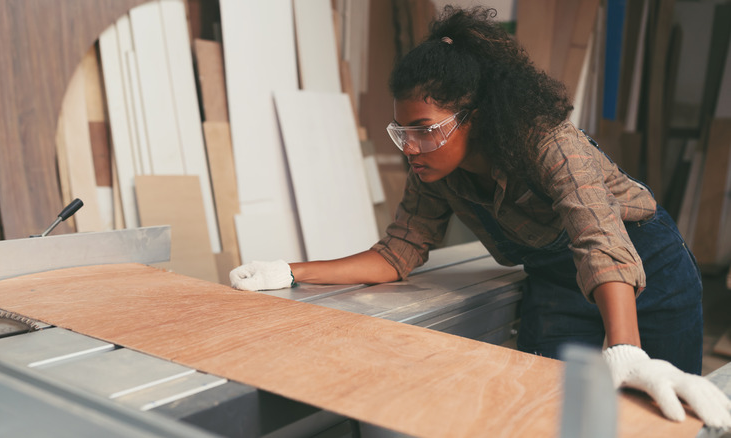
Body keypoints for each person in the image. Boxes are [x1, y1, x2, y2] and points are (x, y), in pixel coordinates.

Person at [229, 6, 731, 429]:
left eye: (424, 129)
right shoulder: (433, 169)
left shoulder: (550, 143)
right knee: (544, 411)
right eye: (401, 131)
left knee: (663, 414)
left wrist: (624, 349)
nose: (411, 147)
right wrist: (291, 271)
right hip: (558, 280)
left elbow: (599, 240)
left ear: (476, 114)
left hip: (646, 263)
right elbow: (397, 253)